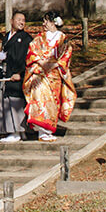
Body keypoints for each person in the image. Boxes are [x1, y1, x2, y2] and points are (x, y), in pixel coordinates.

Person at [23, 10, 76, 142]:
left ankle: (49, 129)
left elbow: (66, 56)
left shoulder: (63, 39)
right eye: (44, 21)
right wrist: (41, 63)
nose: (44, 23)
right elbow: (32, 53)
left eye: (46, 20)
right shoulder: (39, 38)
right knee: (40, 99)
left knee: (53, 102)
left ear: (54, 22)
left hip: (55, 74)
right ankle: (42, 131)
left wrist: (53, 65)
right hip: (40, 74)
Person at [0, 11, 33, 142]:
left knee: (16, 102)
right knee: (6, 102)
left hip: (17, 75)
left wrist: (20, 73)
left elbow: (28, 59)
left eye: (23, 20)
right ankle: (14, 131)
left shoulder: (26, 38)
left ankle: (16, 131)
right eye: (19, 19)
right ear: (12, 21)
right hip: (7, 72)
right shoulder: (7, 37)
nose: (21, 22)